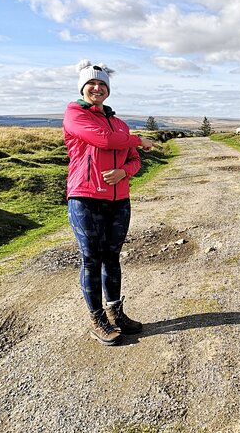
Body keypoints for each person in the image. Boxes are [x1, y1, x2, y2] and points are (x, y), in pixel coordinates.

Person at [63, 60, 156, 346]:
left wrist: (123, 172)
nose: (97, 88)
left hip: (119, 199)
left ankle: (116, 313)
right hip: (86, 197)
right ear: (82, 87)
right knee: (91, 259)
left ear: (108, 89)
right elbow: (102, 140)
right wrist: (138, 139)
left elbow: (134, 159)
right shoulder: (75, 114)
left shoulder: (119, 123)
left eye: (103, 84)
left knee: (113, 258)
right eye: (92, 83)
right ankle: (97, 319)